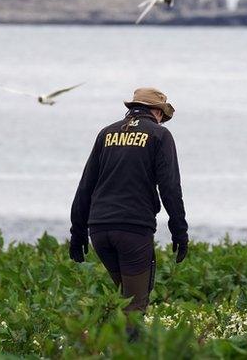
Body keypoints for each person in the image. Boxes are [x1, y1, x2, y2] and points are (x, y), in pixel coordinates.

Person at [69, 87, 188, 314]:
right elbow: (170, 188)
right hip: (133, 230)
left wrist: (77, 233)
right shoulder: (159, 135)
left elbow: (85, 185)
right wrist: (179, 232)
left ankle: (104, 344)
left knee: (124, 299)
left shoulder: (106, 134)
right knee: (134, 306)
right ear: (158, 112)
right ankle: (121, 348)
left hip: (99, 230)